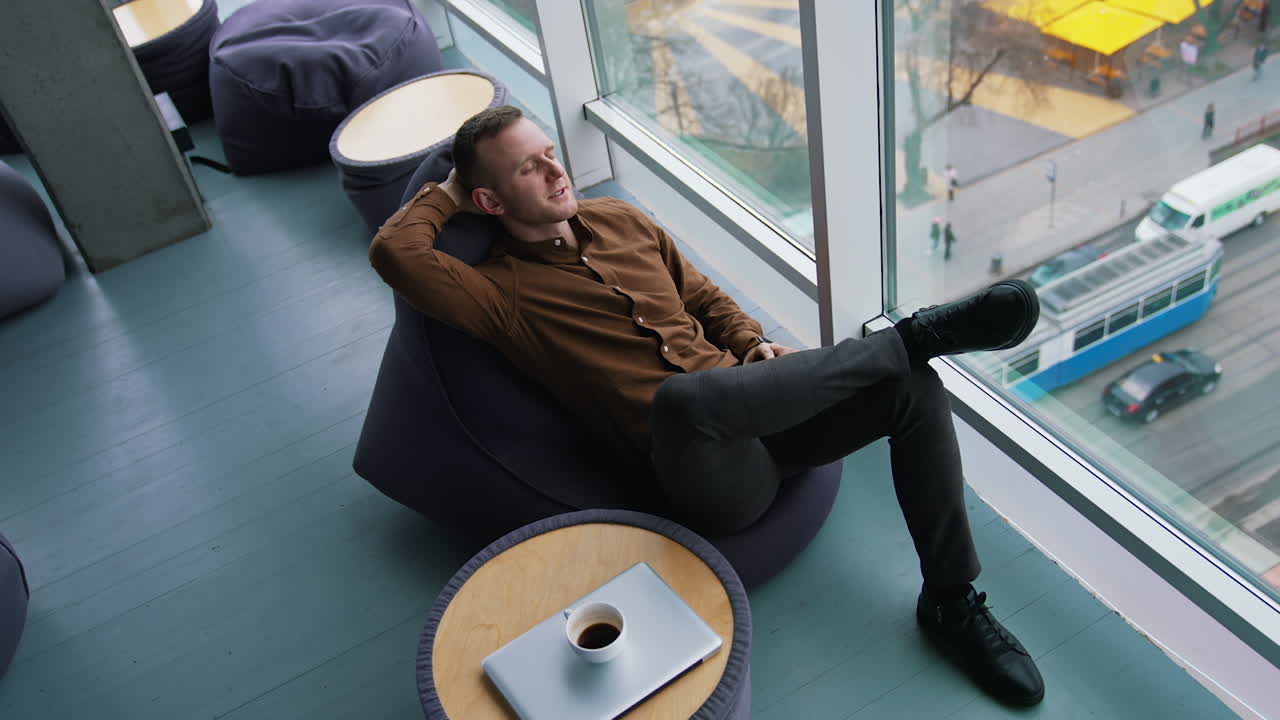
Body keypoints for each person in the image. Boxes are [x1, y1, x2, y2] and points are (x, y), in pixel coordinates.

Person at [369, 106, 1046, 707]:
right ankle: (916, 336)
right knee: (685, 401)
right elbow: (395, 250)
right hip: (705, 474)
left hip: (767, 414)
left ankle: (952, 601)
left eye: (551, 153)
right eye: (527, 169)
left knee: (914, 388)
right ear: (489, 200)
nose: (554, 172)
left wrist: (754, 346)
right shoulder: (499, 296)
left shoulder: (622, 218)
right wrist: (451, 187)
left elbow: (707, 301)